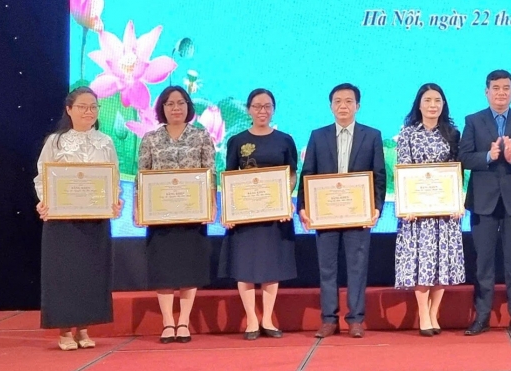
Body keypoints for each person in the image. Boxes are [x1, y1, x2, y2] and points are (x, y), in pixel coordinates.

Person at [33, 87, 123, 350]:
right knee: (64, 274)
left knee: (90, 273)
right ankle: (64, 331)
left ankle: (83, 328)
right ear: (69, 109)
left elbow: (114, 176)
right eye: (82, 106)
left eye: (93, 107)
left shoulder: (105, 141)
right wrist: (45, 202)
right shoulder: (55, 142)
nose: (89, 112)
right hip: (63, 221)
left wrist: (115, 200)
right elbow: (42, 177)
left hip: (95, 219)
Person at [298, 83, 386, 339]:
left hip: (358, 214)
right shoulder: (318, 136)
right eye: (337, 101)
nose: (343, 106)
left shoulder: (372, 136)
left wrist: (376, 207)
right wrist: (302, 206)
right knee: (327, 268)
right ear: (331, 107)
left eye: (348, 101)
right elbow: (308, 174)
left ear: (357, 106)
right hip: (325, 215)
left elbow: (379, 175)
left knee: (357, 267)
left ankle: (356, 319)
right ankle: (329, 319)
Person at [459, 69, 511, 336]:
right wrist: (488, 156)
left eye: (506, 88)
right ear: (487, 92)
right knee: (483, 263)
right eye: (496, 88)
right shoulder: (473, 121)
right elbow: (464, 157)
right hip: (483, 202)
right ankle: (481, 316)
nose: (501, 93)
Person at [218, 89, 298, 340]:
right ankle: (251, 319)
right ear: (248, 109)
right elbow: (230, 177)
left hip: (275, 215)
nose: (262, 111)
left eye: (267, 106)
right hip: (245, 216)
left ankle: (267, 319)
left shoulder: (285, 140)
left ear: (273, 109)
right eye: (257, 106)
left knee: (271, 266)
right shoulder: (237, 141)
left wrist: (286, 200)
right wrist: (229, 210)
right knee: (245, 267)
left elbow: (292, 174)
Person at [139, 86, 215, 343]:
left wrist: (211, 204)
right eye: (170, 103)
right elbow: (142, 176)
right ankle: (167, 322)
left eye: (181, 103)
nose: (176, 108)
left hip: (193, 214)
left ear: (188, 106)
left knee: (189, 267)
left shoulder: (201, 136)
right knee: (164, 269)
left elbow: (210, 173)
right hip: (160, 217)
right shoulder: (150, 139)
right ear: (162, 107)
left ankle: (183, 321)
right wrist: (139, 208)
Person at [393, 83, 466, 336]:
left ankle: (434, 313)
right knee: (421, 261)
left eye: (437, 100)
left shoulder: (453, 134)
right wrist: (407, 205)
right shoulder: (407, 134)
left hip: (444, 211)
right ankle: (423, 313)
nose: (432, 105)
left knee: (441, 262)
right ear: (419, 104)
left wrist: (457, 202)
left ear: (443, 104)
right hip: (417, 213)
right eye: (427, 100)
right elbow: (403, 171)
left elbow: (456, 172)